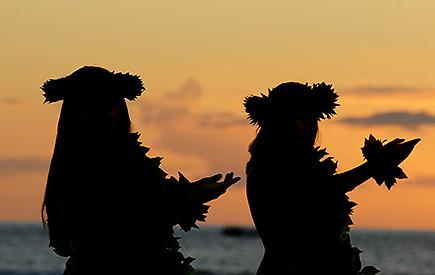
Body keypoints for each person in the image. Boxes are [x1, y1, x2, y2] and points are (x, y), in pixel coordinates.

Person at [40, 65, 240, 275]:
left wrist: (194, 192)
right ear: (76, 112)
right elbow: (128, 216)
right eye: (93, 105)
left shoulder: (126, 158)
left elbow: (150, 204)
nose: (106, 112)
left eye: (111, 103)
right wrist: (191, 196)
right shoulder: (82, 165)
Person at [244, 82, 420, 275]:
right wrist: (376, 165)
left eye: (314, 118)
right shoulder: (270, 164)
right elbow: (320, 189)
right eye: (302, 118)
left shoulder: (295, 165)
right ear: (279, 123)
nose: (312, 125)